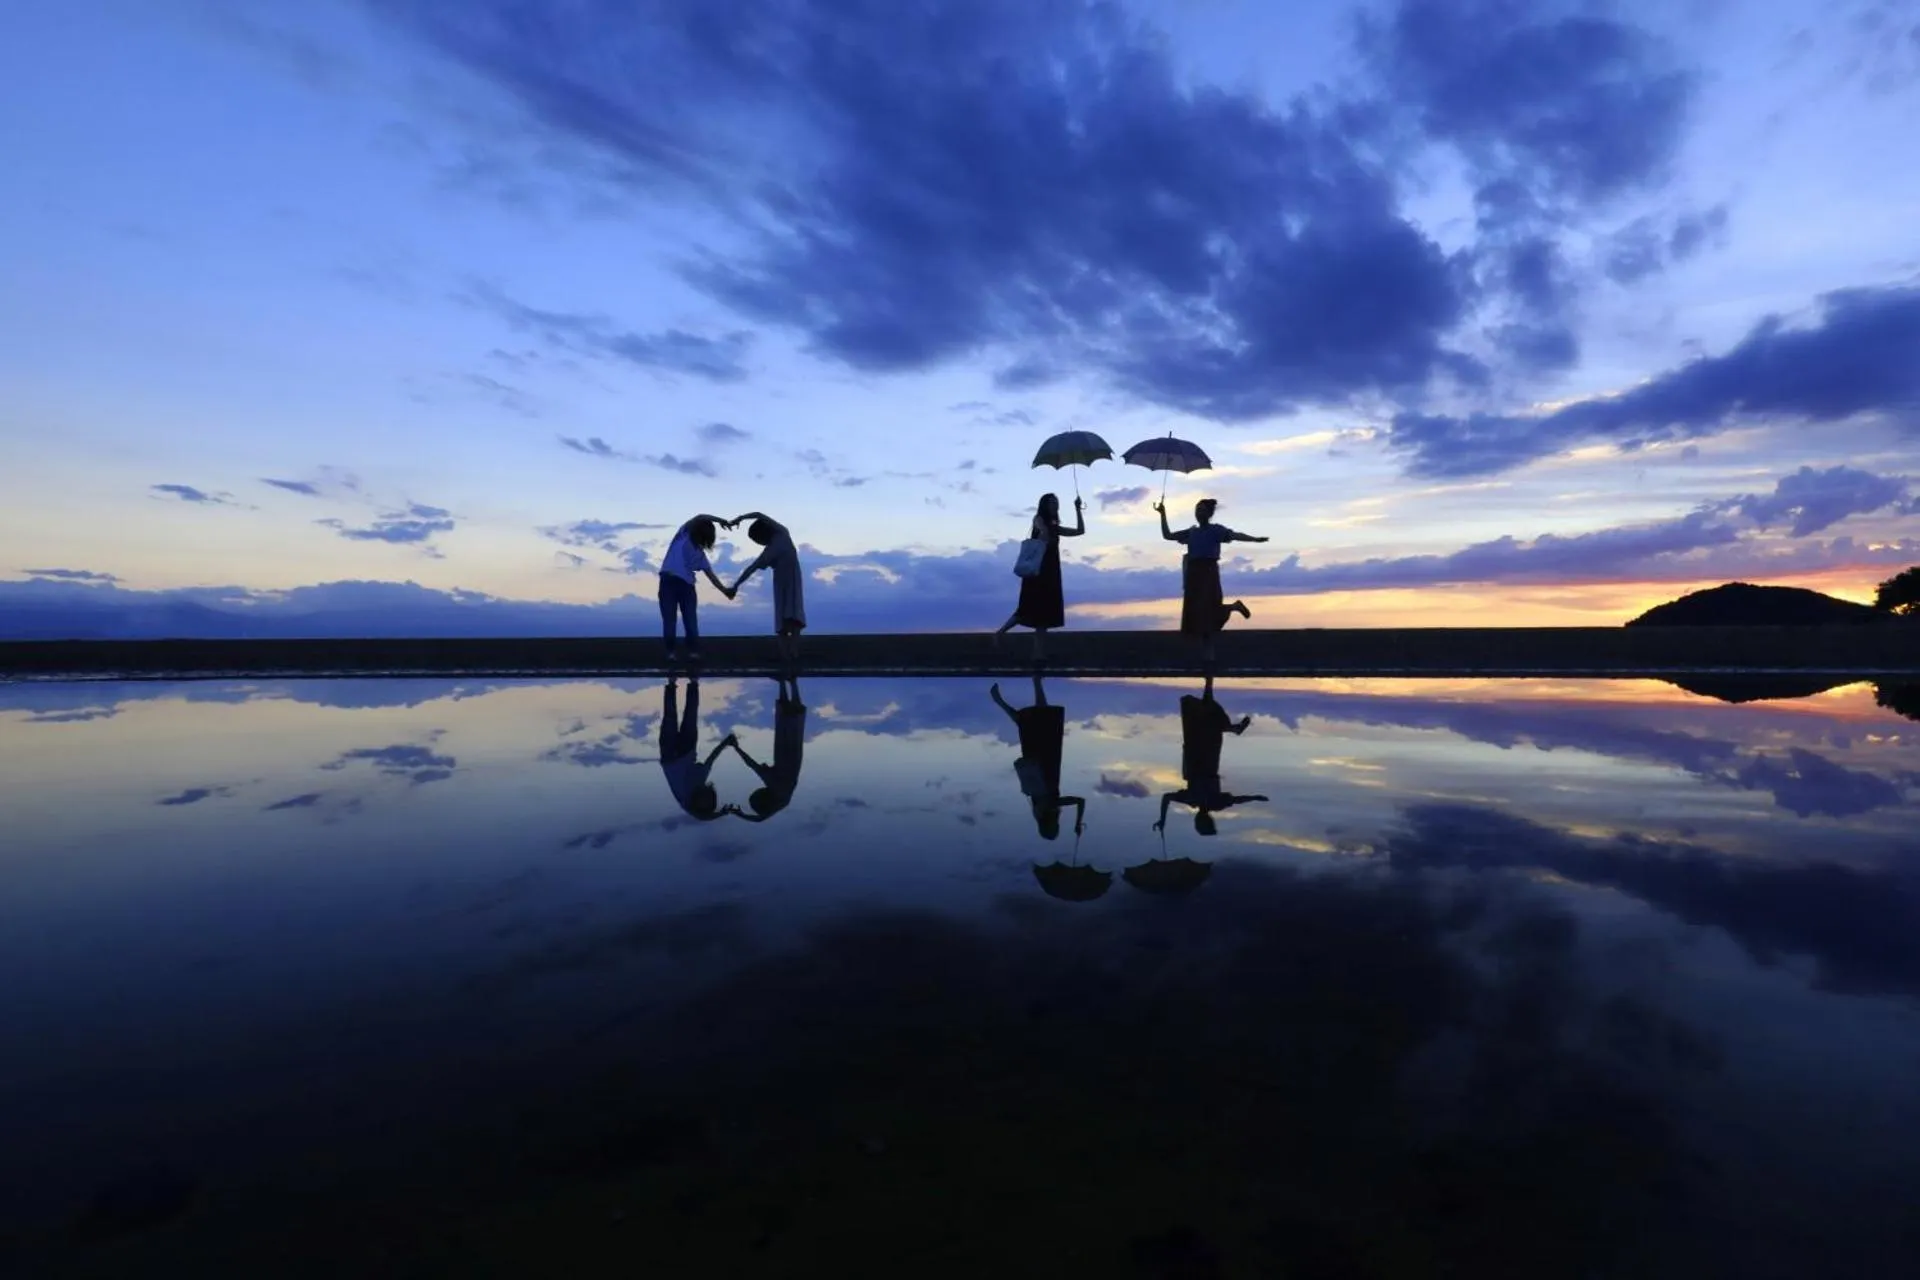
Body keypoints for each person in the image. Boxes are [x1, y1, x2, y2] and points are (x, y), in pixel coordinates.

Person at [1154, 497, 1268, 664]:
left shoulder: (1216, 530)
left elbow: (1235, 535)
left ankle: (1232, 610)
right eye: (1196, 509)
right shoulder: (1192, 532)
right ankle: (1208, 662)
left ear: (1209, 513)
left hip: (1208, 573)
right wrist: (1162, 513)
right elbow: (1168, 535)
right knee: (1197, 618)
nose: (1198, 512)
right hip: (1193, 574)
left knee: (1209, 613)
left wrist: (1255, 539)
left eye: (1201, 509)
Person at [1153, 675, 1266, 836]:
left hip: (1202, 756)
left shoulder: (1205, 801)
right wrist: (1254, 798)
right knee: (1206, 719)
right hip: (1201, 756)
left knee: (1206, 719)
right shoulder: (1200, 801)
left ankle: (1211, 684)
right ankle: (1210, 683)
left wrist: (1162, 820)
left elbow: (1166, 797)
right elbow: (1237, 800)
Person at [990, 677, 1086, 841]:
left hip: (1046, 762)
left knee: (1041, 720)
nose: (1057, 825)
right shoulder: (1039, 811)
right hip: (1039, 763)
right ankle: (1032, 684)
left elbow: (1080, 801)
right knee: (1032, 723)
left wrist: (1078, 823)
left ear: (1052, 825)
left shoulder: (1048, 808)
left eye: (1055, 828)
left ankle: (1021, 690)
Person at [994, 493, 1086, 662]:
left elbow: (1080, 531)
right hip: (1037, 570)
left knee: (1045, 615)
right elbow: (1042, 531)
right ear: (1044, 505)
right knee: (1026, 608)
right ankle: (1000, 633)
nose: (1054, 505)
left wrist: (1077, 509)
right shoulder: (1039, 519)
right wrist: (1046, 534)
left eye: (1056, 502)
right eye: (1051, 503)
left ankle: (1038, 653)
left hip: (1051, 571)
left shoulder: (1054, 525)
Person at [721, 676, 806, 822]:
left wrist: (741, 814)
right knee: (788, 719)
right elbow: (752, 765)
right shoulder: (775, 787)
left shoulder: (783, 800)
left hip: (792, 754)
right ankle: (787, 682)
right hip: (785, 753)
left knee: (789, 719)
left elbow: (761, 818)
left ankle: (789, 683)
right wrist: (736, 748)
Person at [726, 512, 806, 666]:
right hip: (789, 582)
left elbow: (751, 568)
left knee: (786, 620)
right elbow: (751, 568)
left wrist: (735, 586)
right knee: (792, 618)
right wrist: (740, 519)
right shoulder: (781, 536)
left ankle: (789, 654)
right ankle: (790, 654)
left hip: (787, 583)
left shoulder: (778, 538)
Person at [658, 514, 736, 662]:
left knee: (683, 620)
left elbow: (712, 577)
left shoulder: (693, 548)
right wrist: (721, 521)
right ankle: (678, 653)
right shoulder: (683, 535)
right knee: (678, 620)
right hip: (672, 583)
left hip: (680, 585)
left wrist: (726, 591)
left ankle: (682, 653)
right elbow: (700, 517)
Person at [658, 676, 735, 821]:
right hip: (687, 751)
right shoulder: (701, 779)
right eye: (707, 801)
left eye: (702, 804)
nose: (703, 800)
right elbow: (712, 758)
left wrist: (719, 814)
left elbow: (703, 817)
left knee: (670, 717)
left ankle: (671, 682)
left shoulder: (686, 802)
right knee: (691, 716)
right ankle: (693, 682)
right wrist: (725, 743)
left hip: (669, 756)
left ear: (697, 805)